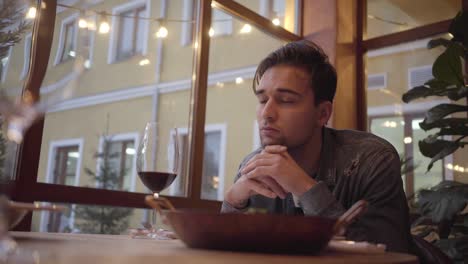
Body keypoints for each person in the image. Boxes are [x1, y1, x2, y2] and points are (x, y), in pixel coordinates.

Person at [221, 40, 413, 253]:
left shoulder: (371, 160)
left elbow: (389, 255)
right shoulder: (252, 167)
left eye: (285, 100)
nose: (266, 113)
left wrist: (305, 188)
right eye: (262, 99)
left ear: (322, 113)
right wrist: (232, 202)